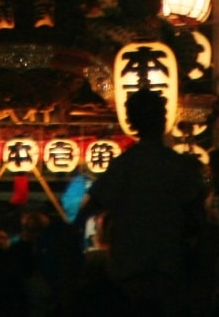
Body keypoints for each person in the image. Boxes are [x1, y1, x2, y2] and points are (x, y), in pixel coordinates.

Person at [76, 92, 206, 316]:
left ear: (132, 121)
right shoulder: (179, 166)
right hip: (169, 267)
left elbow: (90, 208)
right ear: (163, 119)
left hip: (129, 269)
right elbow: (196, 217)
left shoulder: (124, 165)